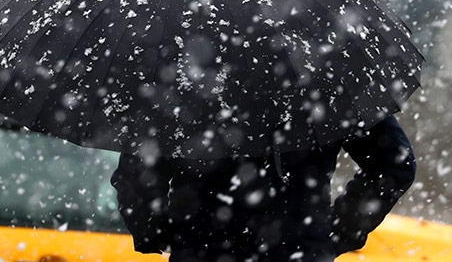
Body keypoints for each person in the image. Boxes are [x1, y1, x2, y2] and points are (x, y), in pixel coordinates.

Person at [111, 115, 416, 262]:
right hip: (297, 252)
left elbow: (136, 176)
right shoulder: (325, 67)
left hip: (204, 251)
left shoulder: (182, 71)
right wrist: (335, 234)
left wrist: (156, 232)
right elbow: (394, 165)